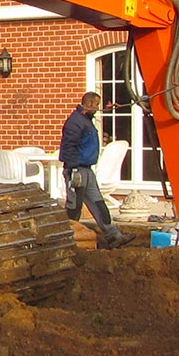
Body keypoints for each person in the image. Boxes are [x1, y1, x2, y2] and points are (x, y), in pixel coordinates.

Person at [59, 91, 120, 248]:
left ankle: (113, 236)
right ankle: (68, 238)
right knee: (74, 205)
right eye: (96, 105)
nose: (97, 108)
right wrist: (73, 170)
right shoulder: (75, 122)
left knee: (98, 202)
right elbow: (69, 146)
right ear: (89, 104)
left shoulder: (85, 120)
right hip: (77, 169)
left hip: (87, 170)